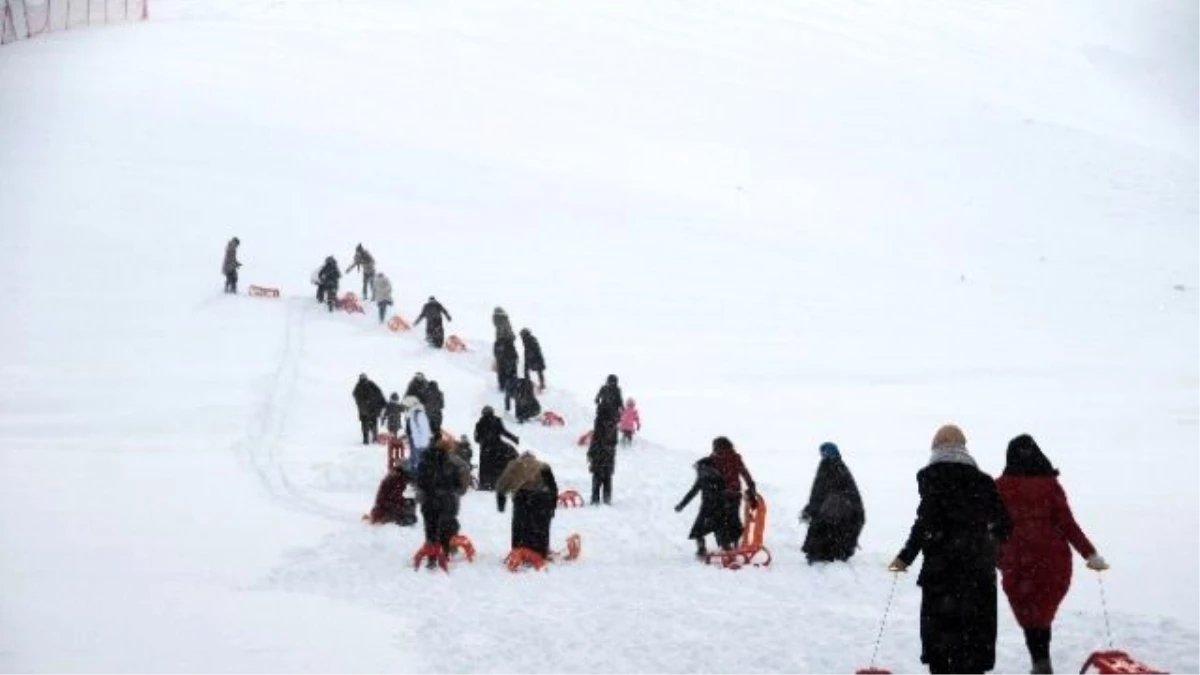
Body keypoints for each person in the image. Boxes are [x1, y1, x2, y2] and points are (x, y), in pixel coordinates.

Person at [888, 424, 1013, 675]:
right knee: (974, 636)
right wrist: (989, 545)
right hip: (978, 570)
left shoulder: (934, 478)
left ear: (936, 447)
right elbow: (1005, 524)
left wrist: (905, 557)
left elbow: (924, 524)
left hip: (941, 571)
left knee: (941, 638)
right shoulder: (983, 481)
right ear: (964, 447)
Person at [995, 434, 1109, 675]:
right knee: (1042, 614)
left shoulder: (1000, 487)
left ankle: (1040, 661)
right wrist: (1090, 554)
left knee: (1028, 614)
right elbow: (1068, 524)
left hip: (1017, 561)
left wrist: (997, 558)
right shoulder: (1050, 485)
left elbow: (992, 527)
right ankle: (1041, 661)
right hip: (1052, 561)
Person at [800, 442, 865, 564]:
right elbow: (819, 493)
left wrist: (810, 510)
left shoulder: (830, 468)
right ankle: (832, 551)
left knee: (825, 521)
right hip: (843, 512)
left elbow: (818, 494)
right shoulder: (837, 467)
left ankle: (823, 552)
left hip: (838, 511)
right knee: (829, 520)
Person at [496, 451, 559, 557]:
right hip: (542, 499)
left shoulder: (515, 465)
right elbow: (553, 488)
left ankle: (519, 551)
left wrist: (501, 503)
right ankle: (540, 552)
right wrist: (552, 507)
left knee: (521, 526)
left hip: (522, 497)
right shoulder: (543, 465)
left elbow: (501, 485)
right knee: (540, 528)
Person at [415, 445, 470, 567]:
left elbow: (419, 482)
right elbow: (459, 483)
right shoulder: (451, 463)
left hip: (429, 501)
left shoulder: (424, 463)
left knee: (430, 529)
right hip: (447, 500)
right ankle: (445, 550)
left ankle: (432, 556)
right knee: (447, 525)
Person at [674, 456, 728, 558]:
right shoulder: (712, 478)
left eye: (698, 469)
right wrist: (681, 505)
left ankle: (706, 549)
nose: (697, 471)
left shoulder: (708, 478)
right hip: (713, 508)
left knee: (703, 529)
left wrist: (681, 505)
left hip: (710, 508)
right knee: (712, 528)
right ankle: (721, 548)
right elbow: (692, 493)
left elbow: (692, 493)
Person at [711, 436, 757, 548]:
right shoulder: (735, 458)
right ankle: (734, 539)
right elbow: (745, 473)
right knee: (733, 518)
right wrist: (751, 486)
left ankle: (726, 543)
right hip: (733, 494)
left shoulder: (714, 459)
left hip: (722, 495)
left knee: (720, 520)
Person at [474, 406, 519, 490]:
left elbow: (476, 438)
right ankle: (499, 482)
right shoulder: (496, 421)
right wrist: (514, 438)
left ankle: (485, 484)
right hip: (497, 447)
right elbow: (504, 432)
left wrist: (483, 440)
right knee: (502, 462)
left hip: (486, 449)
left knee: (486, 467)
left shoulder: (479, 423)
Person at [366, 460, 417, 526]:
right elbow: (394, 499)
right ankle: (396, 520)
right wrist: (403, 505)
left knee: (409, 503)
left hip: (383, 507)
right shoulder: (396, 480)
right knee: (409, 505)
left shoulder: (395, 476)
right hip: (384, 511)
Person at [351, 373, 386, 445]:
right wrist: (365, 408)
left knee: (373, 423)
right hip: (365, 411)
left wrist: (383, 402)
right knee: (365, 424)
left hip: (372, 409)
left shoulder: (370, 384)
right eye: (362, 378)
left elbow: (379, 393)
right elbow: (358, 400)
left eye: (364, 377)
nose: (363, 379)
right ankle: (366, 438)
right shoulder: (358, 387)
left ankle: (374, 437)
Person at [404, 396, 434, 471]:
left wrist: (423, 446)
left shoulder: (419, 415)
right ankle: (416, 478)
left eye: (407, 406)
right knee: (415, 462)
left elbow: (425, 431)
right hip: (416, 443)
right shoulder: (412, 414)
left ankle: (420, 479)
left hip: (421, 445)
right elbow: (413, 430)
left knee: (420, 464)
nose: (406, 408)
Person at [586, 431, 616, 505]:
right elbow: (612, 457)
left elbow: (590, 454)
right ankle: (607, 499)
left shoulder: (595, 443)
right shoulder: (610, 444)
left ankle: (595, 500)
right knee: (607, 485)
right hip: (607, 468)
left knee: (596, 485)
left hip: (597, 468)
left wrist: (591, 461)